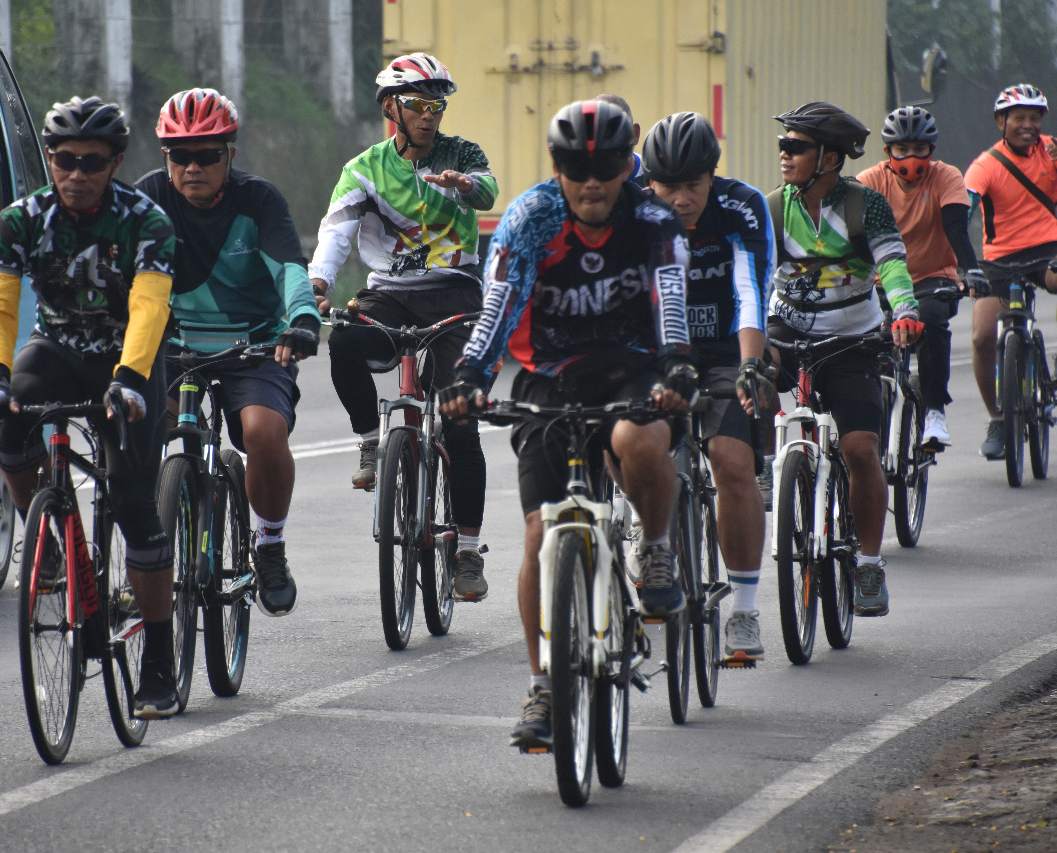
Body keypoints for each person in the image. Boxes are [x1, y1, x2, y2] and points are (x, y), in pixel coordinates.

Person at [440, 100, 694, 748]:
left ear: (627, 164)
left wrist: (677, 367)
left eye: (606, 168)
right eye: (577, 170)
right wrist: (470, 374)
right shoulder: (532, 216)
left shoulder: (653, 220)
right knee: (538, 533)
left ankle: (655, 548)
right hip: (551, 377)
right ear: (557, 168)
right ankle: (545, 685)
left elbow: (671, 299)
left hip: (636, 369)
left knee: (638, 439)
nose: (592, 183)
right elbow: (499, 302)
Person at [0, 96, 180, 718]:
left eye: (92, 162)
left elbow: (149, 306)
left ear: (115, 163)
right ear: (50, 160)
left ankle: (159, 661)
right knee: (9, 425)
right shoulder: (20, 221)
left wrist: (130, 380)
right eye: (65, 160)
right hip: (58, 349)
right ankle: (51, 546)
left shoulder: (146, 222)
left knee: (135, 504)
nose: (78, 174)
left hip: (129, 359)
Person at [308, 52, 498, 601]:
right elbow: (336, 231)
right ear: (391, 108)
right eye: (417, 104)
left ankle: (466, 551)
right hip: (389, 294)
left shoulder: (462, 153)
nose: (429, 115)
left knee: (460, 421)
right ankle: (370, 441)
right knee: (344, 339)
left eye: (437, 106)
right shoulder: (364, 169)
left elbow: (486, 190)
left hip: (454, 291)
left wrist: (464, 186)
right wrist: (318, 283)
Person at [136, 88, 319, 618]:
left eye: (207, 155)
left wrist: (302, 319)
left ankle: (270, 546)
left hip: (253, 342)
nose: (192, 167)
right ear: (165, 156)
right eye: (180, 155)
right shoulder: (147, 199)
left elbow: (290, 269)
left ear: (230, 155)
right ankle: (141, 545)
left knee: (263, 432)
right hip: (170, 344)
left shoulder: (259, 200)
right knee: (137, 425)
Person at [766, 102, 922, 618]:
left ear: (829, 158)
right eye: (783, 144)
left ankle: (869, 565)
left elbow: (892, 263)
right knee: (751, 374)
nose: (784, 154)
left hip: (852, 338)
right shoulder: (772, 208)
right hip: (787, 328)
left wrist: (904, 310)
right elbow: (755, 274)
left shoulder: (865, 205)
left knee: (860, 449)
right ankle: (766, 468)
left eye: (796, 146)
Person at [641, 111, 777, 663]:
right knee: (632, 443)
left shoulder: (740, 205)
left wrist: (750, 365)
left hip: (726, 350)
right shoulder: (633, 212)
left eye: (694, 185)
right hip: (658, 352)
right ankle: (649, 539)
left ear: (712, 177)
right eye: (668, 187)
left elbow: (750, 289)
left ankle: (743, 610)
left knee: (732, 462)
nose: (682, 199)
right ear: (649, 182)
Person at [857, 106, 988, 450]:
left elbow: (956, 228)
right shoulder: (869, 182)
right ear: (887, 150)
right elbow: (849, 237)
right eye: (902, 149)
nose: (911, 157)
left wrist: (972, 270)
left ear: (932, 149)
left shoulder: (946, 177)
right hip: (880, 282)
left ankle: (934, 412)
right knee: (863, 339)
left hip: (932, 278)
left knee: (929, 322)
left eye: (919, 149)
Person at [963, 84, 1057, 459]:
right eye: (1019, 117)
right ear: (1001, 121)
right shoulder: (985, 166)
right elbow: (963, 209)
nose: (1027, 125)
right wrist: (959, 263)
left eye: (1035, 117)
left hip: (1047, 251)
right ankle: (998, 420)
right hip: (1000, 259)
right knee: (982, 337)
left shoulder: (1052, 152)